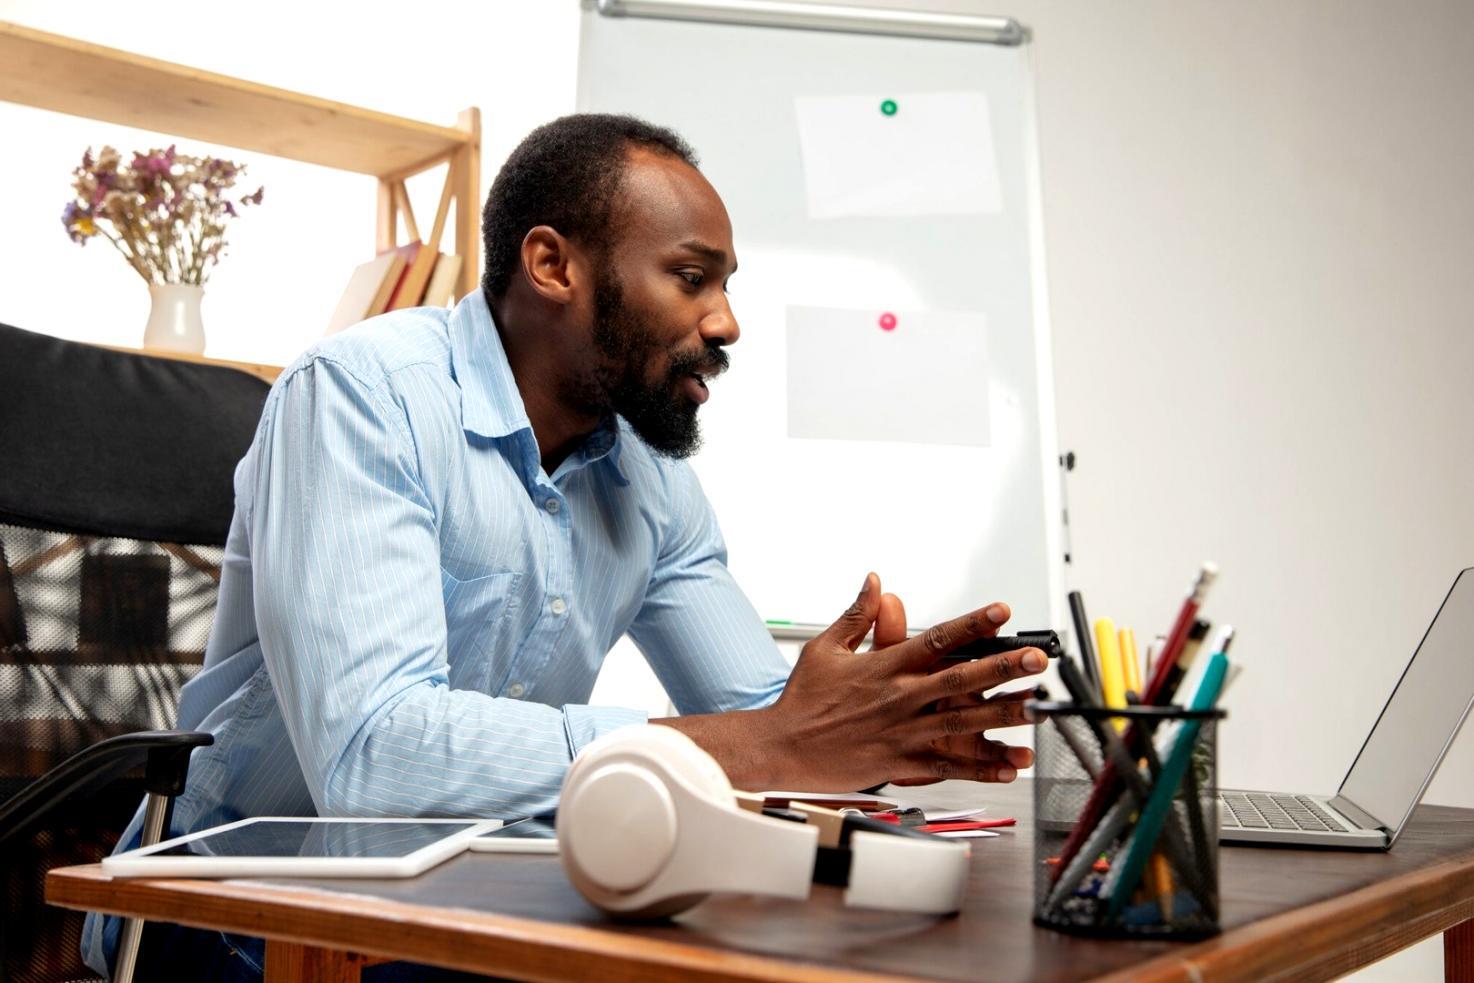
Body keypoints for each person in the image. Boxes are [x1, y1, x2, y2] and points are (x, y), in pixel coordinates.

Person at [84, 113, 1045, 979]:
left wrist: (868, 720)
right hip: (237, 911)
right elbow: (373, 755)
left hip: (468, 894)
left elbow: (757, 721)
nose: (727, 321)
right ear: (553, 266)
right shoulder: (364, 396)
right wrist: (763, 741)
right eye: (691, 276)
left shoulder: (651, 476)